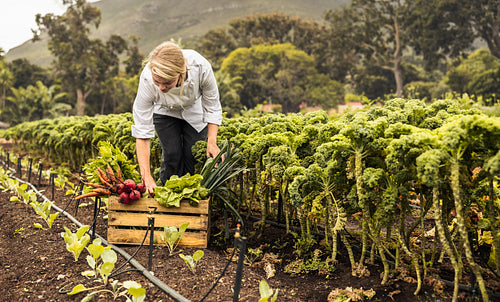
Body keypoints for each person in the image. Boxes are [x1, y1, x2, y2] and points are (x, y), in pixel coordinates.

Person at [131, 41, 223, 195]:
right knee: (172, 154)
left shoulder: (201, 67)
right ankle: (168, 197)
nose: (161, 87)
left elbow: (212, 105)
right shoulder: (147, 79)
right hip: (164, 110)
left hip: (194, 110)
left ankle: (193, 200)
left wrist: (212, 142)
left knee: (193, 155)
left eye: (167, 82)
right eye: (157, 82)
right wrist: (146, 175)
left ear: (181, 73)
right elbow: (142, 130)